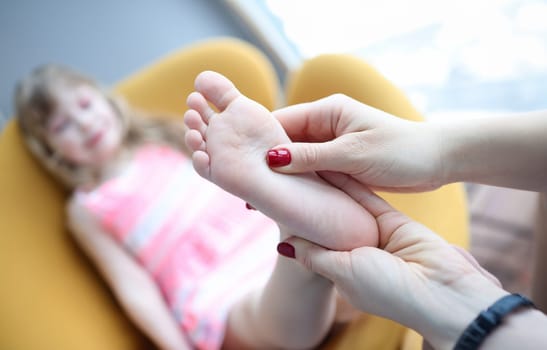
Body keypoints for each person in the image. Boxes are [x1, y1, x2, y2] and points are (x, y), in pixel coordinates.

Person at [14, 65, 378, 350]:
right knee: (279, 304)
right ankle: (307, 243)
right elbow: (134, 287)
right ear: (51, 150)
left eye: (84, 104)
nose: (84, 123)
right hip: (218, 296)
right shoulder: (88, 207)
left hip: (261, 240)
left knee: (331, 284)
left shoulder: (163, 137)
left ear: (104, 99)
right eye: (62, 125)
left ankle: (313, 247)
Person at [183, 71, 547, 349]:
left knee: (258, 316)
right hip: (201, 274)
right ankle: (304, 241)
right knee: (238, 313)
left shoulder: (179, 142)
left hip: (247, 237)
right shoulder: (124, 214)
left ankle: (305, 239)